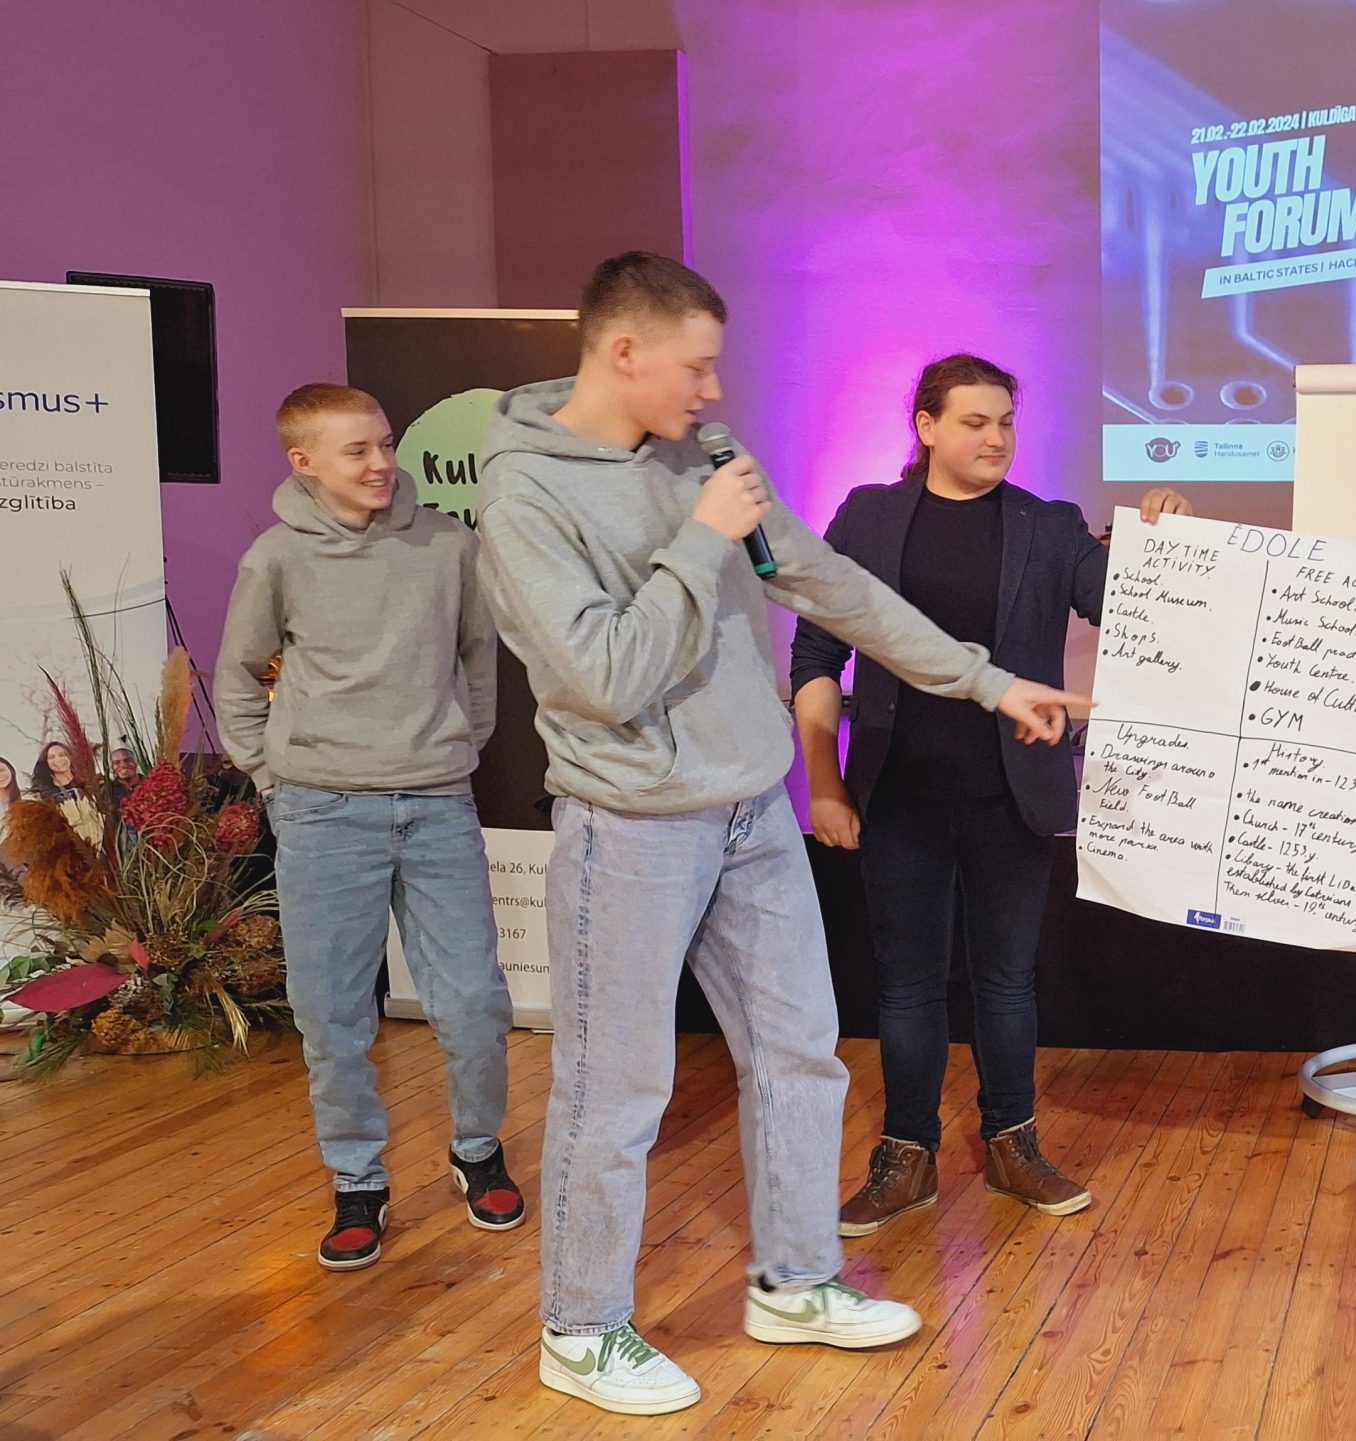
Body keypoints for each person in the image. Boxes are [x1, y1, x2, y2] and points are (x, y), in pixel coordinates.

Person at [475, 253, 1087, 1418]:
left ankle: (796, 1281)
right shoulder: (525, 494)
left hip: (751, 808)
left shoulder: (701, 454)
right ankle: (581, 1328)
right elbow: (603, 676)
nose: (713, 390)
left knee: (803, 1054)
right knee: (617, 1087)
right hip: (631, 824)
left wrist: (987, 680)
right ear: (622, 351)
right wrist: (700, 539)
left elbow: (832, 586)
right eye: (696, 366)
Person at [791, 354, 1190, 1238]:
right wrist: (823, 782)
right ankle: (906, 1154)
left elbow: (1134, 606)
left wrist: (1166, 543)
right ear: (926, 426)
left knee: (1008, 983)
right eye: (975, 421)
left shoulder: (1050, 526)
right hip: (898, 797)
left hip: (1013, 798)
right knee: (907, 986)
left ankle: (1013, 1145)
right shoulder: (867, 516)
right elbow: (818, 650)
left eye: (1006, 421)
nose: (996, 437)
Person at [214, 382, 521, 1273]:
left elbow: (478, 657)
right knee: (332, 1013)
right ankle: (357, 1180)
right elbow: (238, 675)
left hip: (436, 804)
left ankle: (477, 1149)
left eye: (385, 442)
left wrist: (455, 749)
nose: (382, 461)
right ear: (303, 461)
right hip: (320, 812)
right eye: (358, 449)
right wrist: (272, 776)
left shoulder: (448, 545)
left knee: (473, 1002)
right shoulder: (275, 557)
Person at [28, 741, 102, 847]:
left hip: (98, 840)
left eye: (62, 755)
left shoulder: (88, 783)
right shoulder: (42, 793)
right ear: (46, 762)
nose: (58, 760)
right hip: (66, 846)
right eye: (51, 757)